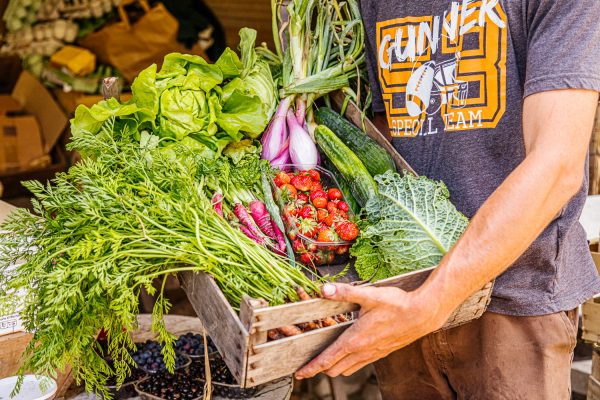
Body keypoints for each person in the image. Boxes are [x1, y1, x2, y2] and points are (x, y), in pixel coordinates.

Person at [295, 1, 600, 398]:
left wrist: (430, 303)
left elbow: (556, 164)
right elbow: (386, 130)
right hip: (402, 295)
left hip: (513, 302)